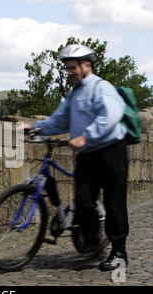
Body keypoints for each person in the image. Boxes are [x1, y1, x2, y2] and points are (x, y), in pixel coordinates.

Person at [23, 44, 129, 271]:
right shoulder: (74, 94)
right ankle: (91, 246)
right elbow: (60, 120)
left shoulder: (101, 88)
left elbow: (110, 116)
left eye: (72, 68)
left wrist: (85, 137)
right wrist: (37, 128)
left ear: (86, 65)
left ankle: (119, 251)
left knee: (114, 203)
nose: (69, 72)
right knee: (83, 201)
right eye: (66, 69)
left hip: (111, 151)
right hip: (88, 154)